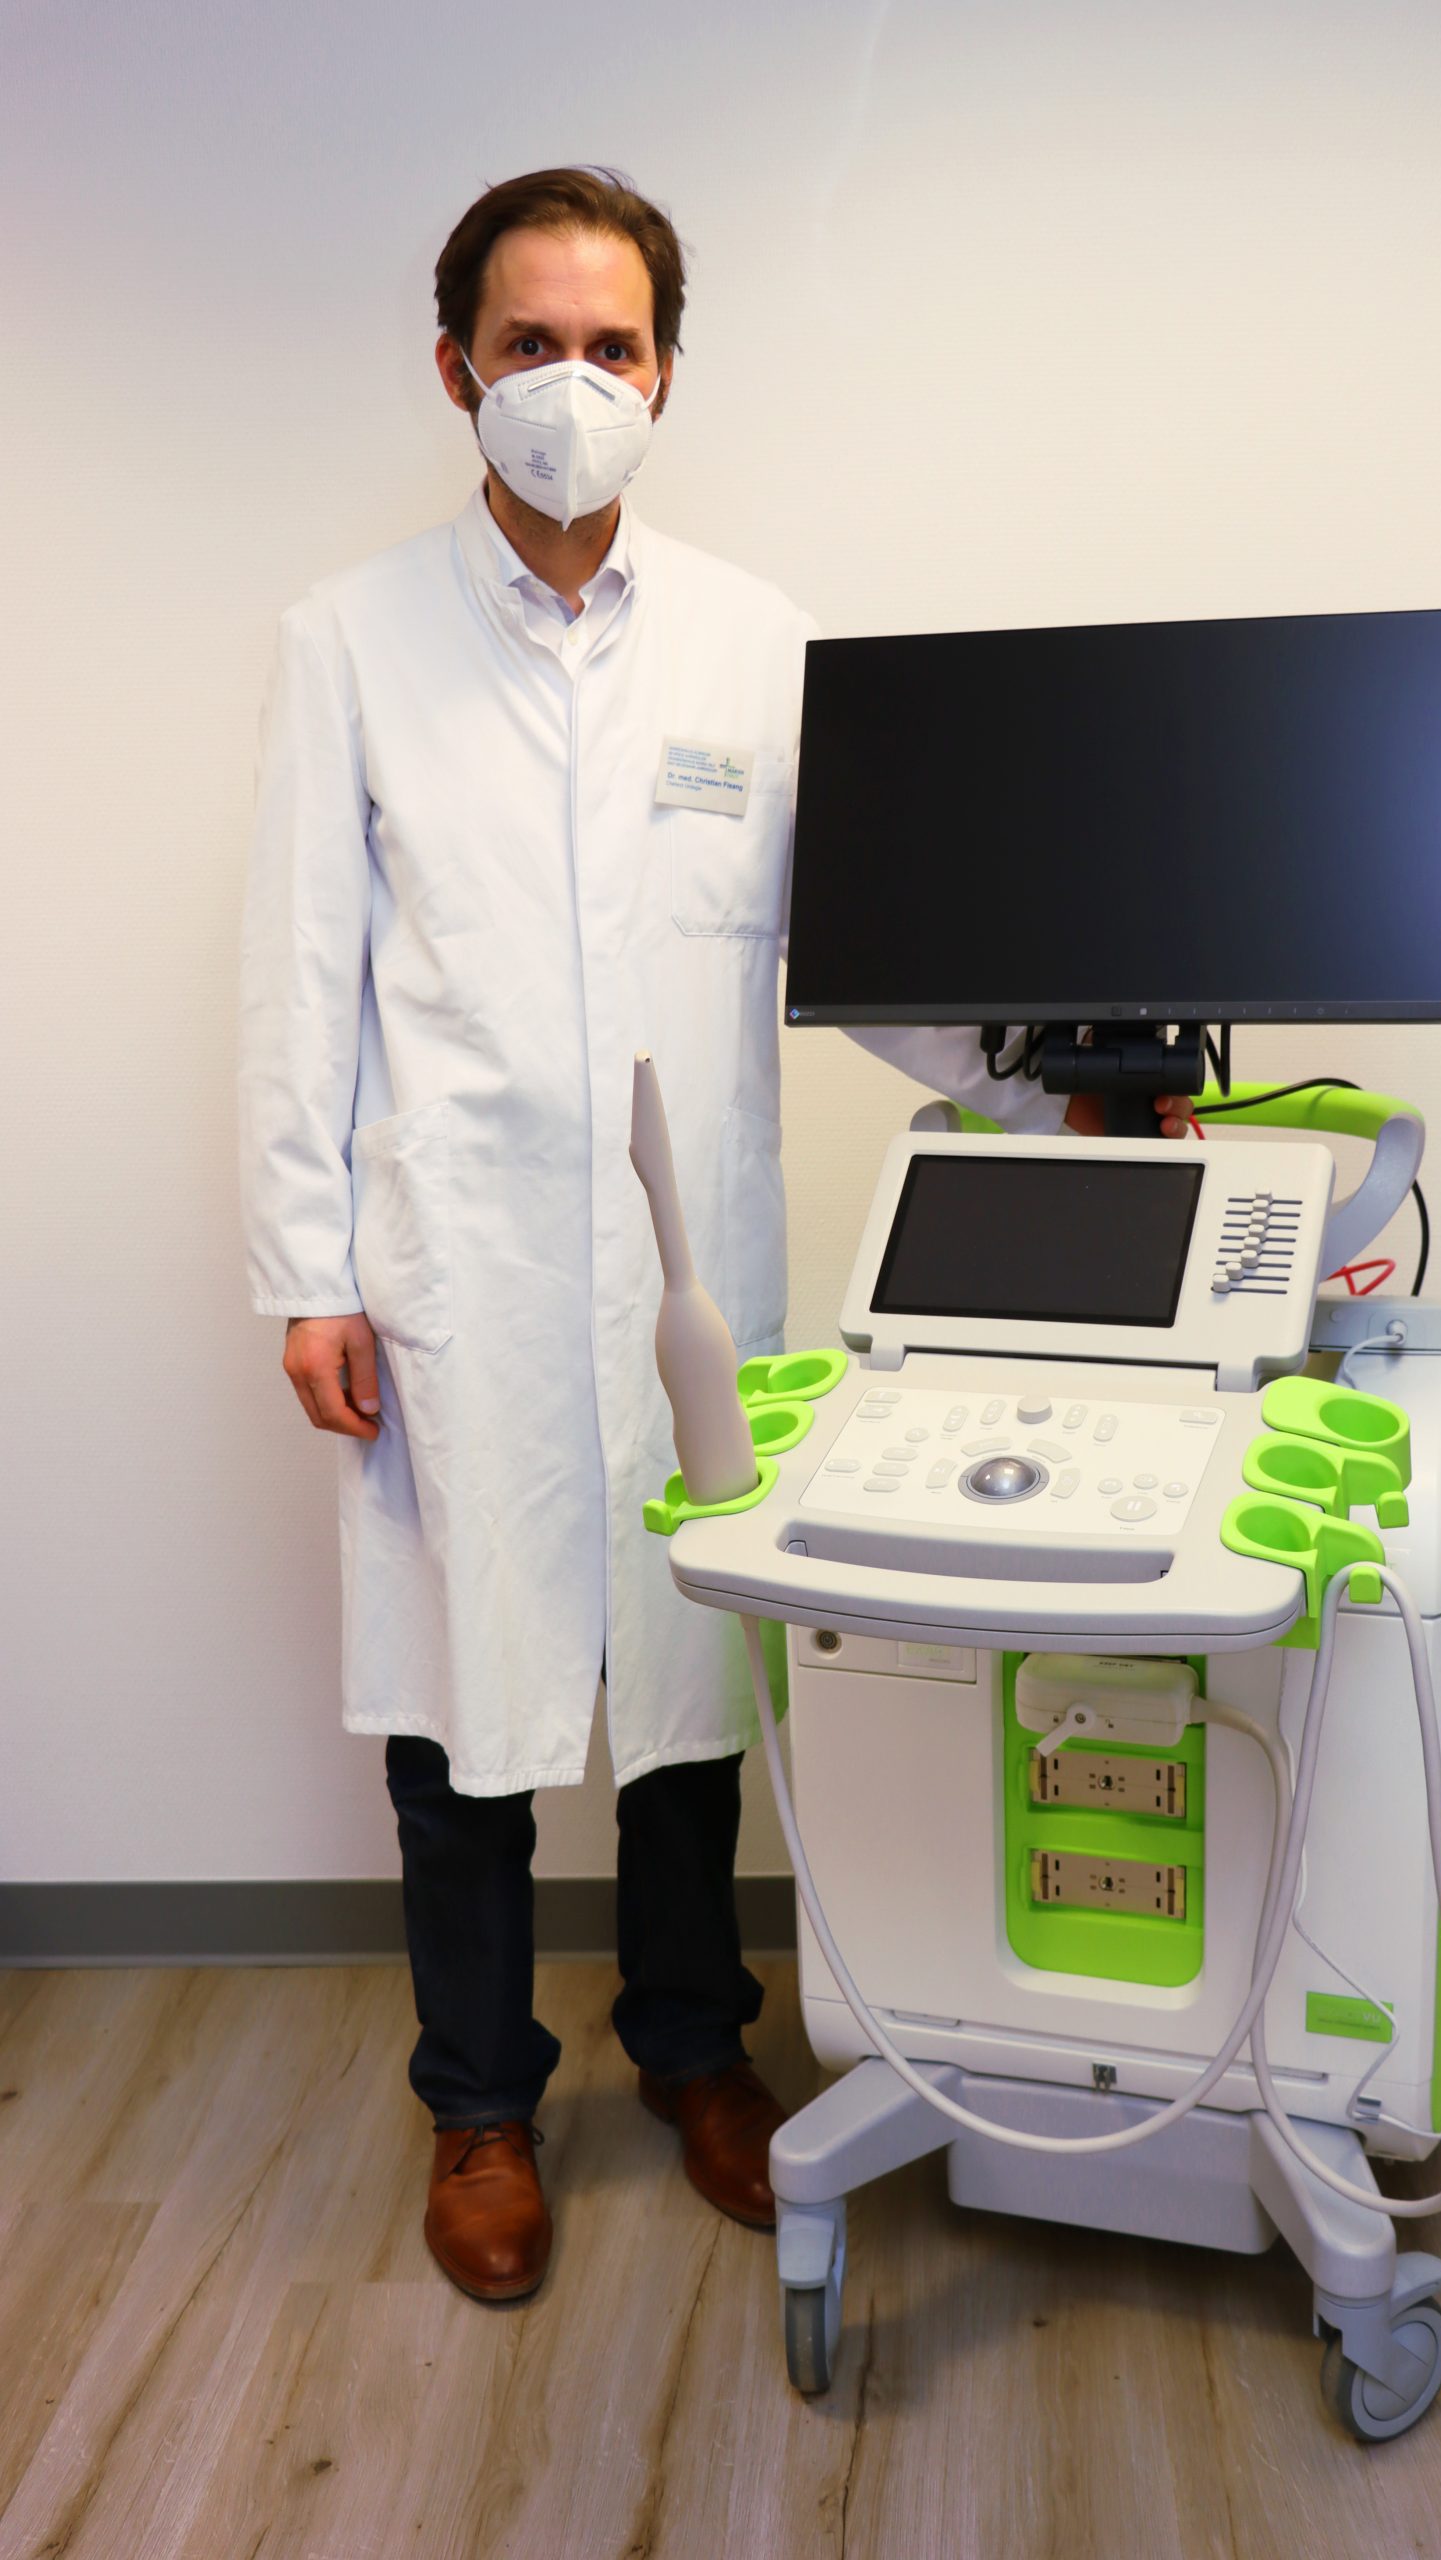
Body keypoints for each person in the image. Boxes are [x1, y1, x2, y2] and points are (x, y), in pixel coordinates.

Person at [238, 165, 1187, 2304]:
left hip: (684, 1262)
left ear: (667, 371)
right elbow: (297, 979)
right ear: (454, 367)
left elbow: (848, 950)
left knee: (689, 1681)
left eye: (612, 345)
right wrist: (303, 1271)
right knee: (467, 1699)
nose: (570, 382)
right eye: (529, 343)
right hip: (458, 1266)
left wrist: (1058, 1082)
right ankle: (481, 2100)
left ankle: (694, 2049)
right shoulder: (350, 640)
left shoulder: (755, 643)